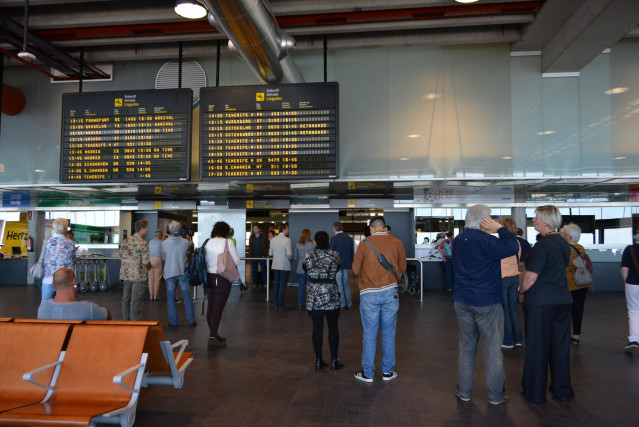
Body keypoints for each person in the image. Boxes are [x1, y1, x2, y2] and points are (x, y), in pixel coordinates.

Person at [452, 205, 517, 405]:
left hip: (462, 300)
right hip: (487, 302)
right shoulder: (489, 241)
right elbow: (513, 247)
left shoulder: (457, 241)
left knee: (466, 347)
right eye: (490, 218)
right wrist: (501, 229)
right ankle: (496, 395)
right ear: (485, 222)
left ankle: (464, 392)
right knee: (492, 350)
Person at [519, 205, 574, 404]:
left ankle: (535, 391)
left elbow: (530, 278)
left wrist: (521, 291)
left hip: (541, 302)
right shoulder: (563, 243)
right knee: (559, 346)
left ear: (545, 221)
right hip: (563, 300)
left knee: (537, 346)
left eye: (535, 217)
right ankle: (562, 390)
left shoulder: (542, 245)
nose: (533, 220)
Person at [352, 216, 406, 382]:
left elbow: (355, 270)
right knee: (389, 334)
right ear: (384, 228)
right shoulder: (397, 242)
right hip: (391, 292)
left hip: (369, 293)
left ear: (372, 229)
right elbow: (403, 268)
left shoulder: (364, 244)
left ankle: (368, 373)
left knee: (369, 334)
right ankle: (388, 372)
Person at [304, 231, 343, 370]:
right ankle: (334, 360)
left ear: (315, 242)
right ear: (328, 242)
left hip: (314, 295)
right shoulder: (335, 254)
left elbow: (305, 269)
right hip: (331, 293)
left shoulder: (308, 255)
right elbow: (337, 268)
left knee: (317, 328)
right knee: (333, 328)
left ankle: (319, 360)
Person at [204, 221, 240, 349]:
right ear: (226, 231)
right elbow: (237, 260)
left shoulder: (207, 242)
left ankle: (214, 334)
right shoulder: (227, 242)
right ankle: (212, 338)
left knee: (211, 307)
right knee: (217, 309)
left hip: (208, 277)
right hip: (221, 278)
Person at [38, 268, 111, 320]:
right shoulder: (89, 309)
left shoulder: (43, 308)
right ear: (74, 283)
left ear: (53, 285)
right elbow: (107, 316)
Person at [561, 223, 592, 345]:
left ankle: (565, 333)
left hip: (569, 284)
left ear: (568, 236)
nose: (562, 236)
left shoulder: (565, 249)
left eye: (563, 234)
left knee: (565, 310)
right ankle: (576, 334)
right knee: (578, 309)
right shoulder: (581, 248)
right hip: (582, 284)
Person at [162, 221, 196, 328]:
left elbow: (164, 258)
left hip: (169, 273)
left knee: (171, 298)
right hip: (182, 272)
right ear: (181, 230)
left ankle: (173, 322)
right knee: (187, 297)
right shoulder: (186, 242)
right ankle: (191, 320)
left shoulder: (164, 243)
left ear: (169, 230)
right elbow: (189, 257)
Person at [498, 217, 523, 349]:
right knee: (513, 308)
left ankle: (507, 340)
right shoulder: (517, 242)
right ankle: (518, 339)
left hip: (502, 278)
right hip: (514, 278)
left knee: (504, 310)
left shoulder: (501, 242)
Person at [119, 219, 151, 321]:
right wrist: (150, 266)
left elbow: (120, 256)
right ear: (142, 229)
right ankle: (135, 323)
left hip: (126, 275)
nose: (148, 230)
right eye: (147, 228)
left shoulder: (125, 241)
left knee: (126, 299)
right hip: (139, 276)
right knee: (136, 301)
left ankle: (125, 321)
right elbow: (146, 261)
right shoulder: (143, 243)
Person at [41, 218, 76, 303]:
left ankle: (43, 316)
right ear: (65, 229)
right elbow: (74, 259)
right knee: (67, 303)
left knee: (44, 303)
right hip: (65, 279)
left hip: (49, 277)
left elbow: (44, 257)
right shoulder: (70, 243)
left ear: (54, 228)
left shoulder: (47, 242)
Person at [620, 227, 639, 352]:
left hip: (633, 283)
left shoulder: (630, 249)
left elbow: (624, 269)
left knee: (634, 311)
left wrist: (626, 281)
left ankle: (634, 339)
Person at [330, 222, 355, 310]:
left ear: (335, 229)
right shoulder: (349, 238)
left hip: (337, 265)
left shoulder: (333, 239)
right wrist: (351, 261)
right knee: (346, 284)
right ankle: (349, 303)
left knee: (339, 285)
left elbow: (331, 253)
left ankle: (342, 304)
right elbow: (352, 252)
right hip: (347, 264)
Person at [270, 223, 292, 310]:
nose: (288, 230)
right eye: (287, 229)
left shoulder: (273, 239)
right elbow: (289, 254)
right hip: (284, 265)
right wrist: (291, 258)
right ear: (283, 230)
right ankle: (281, 305)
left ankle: (276, 304)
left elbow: (270, 253)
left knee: (276, 285)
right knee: (282, 285)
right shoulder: (287, 240)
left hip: (275, 264)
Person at [293, 228, 314, 310]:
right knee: (310, 287)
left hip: (300, 268)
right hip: (310, 267)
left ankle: (300, 304)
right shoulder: (312, 244)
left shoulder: (298, 244)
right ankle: (310, 303)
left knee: (301, 287)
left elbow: (295, 257)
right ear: (309, 235)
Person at [248, 224, 268, 289]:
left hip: (262, 256)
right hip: (254, 256)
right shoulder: (251, 237)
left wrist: (266, 254)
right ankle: (255, 283)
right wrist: (250, 255)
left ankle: (264, 283)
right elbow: (250, 247)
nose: (254, 230)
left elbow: (266, 246)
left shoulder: (264, 236)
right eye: (254, 229)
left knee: (264, 269)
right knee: (254, 270)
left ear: (259, 229)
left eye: (256, 228)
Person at [228, 227, 247, 292]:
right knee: (236, 272)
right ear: (233, 234)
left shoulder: (225, 240)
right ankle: (240, 284)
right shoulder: (234, 240)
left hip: (226, 258)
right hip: (232, 259)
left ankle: (228, 285)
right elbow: (234, 250)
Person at [148, 229, 164, 301]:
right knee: (157, 278)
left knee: (151, 278)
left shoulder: (150, 241)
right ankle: (155, 296)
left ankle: (151, 295)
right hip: (158, 260)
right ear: (160, 235)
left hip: (150, 260)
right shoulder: (162, 242)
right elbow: (163, 253)